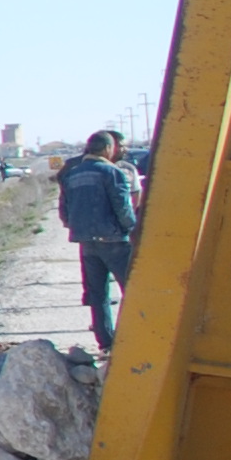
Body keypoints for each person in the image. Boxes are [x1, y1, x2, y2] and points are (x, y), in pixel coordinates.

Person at [58, 130, 141, 353]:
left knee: (98, 295)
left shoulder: (72, 174)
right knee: (133, 290)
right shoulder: (111, 172)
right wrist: (131, 229)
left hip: (87, 244)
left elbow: (64, 210)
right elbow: (123, 208)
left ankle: (106, 344)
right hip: (113, 240)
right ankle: (135, 339)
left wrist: (77, 228)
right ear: (107, 149)